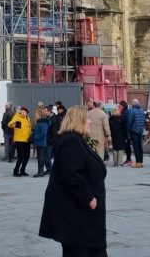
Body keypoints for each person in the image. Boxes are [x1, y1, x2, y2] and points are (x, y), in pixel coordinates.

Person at [39, 105, 108, 257]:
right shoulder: (71, 141)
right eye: (87, 119)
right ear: (79, 120)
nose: (90, 122)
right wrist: (89, 199)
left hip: (85, 216)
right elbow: (70, 175)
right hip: (78, 215)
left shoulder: (77, 140)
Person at [9, 105, 32, 177]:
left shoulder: (27, 118)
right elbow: (9, 124)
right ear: (20, 112)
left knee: (27, 156)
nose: (23, 113)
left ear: (26, 113)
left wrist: (31, 135)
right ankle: (16, 171)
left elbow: (29, 128)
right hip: (19, 140)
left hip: (27, 140)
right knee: (21, 156)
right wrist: (12, 124)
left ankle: (23, 170)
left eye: (25, 112)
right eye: (22, 112)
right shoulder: (16, 117)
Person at [125, 99, 146, 168]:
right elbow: (143, 121)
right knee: (140, 146)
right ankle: (141, 162)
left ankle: (138, 162)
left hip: (133, 130)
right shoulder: (141, 110)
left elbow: (129, 122)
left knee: (136, 147)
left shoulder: (131, 111)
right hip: (140, 130)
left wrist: (128, 131)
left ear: (133, 104)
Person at [33, 106, 53, 177]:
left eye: (36, 114)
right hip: (40, 142)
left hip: (41, 143)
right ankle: (41, 171)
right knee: (41, 158)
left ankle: (41, 172)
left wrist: (35, 137)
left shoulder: (43, 123)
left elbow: (44, 133)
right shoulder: (41, 122)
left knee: (41, 158)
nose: (35, 115)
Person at [109, 104, 127, 168]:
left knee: (115, 149)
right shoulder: (120, 119)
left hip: (113, 136)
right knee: (120, 149)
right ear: (117, 112)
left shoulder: (110, 119)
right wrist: (126, 136)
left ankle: (115, 163)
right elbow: (124, 128)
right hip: (120, 136)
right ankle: (120, 163)